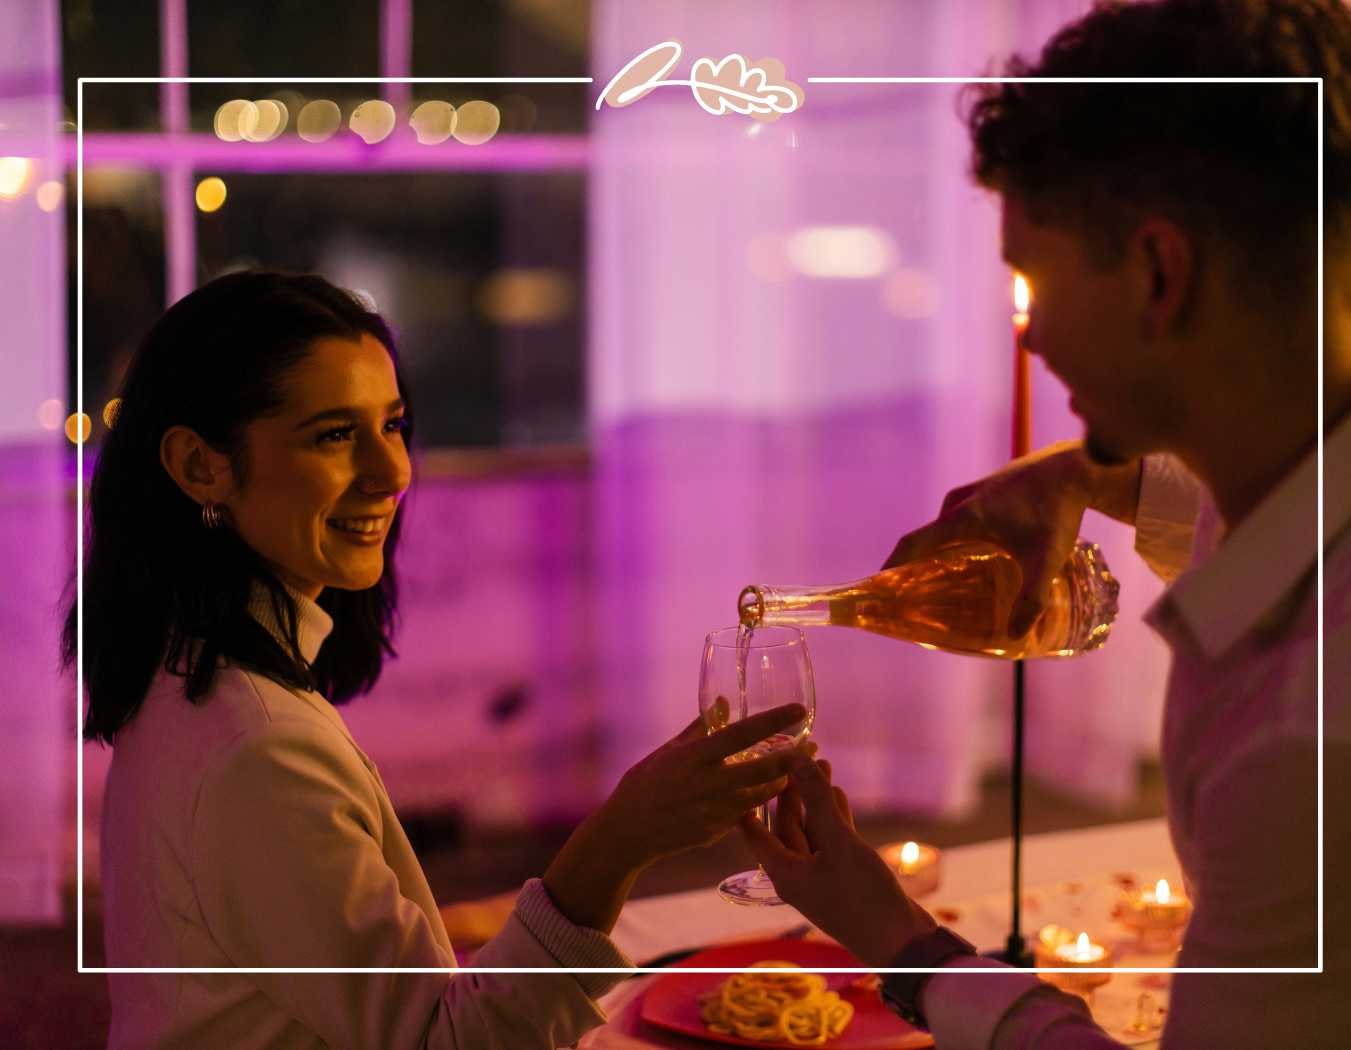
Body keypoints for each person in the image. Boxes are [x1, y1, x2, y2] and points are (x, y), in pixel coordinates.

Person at [743, 0, 1351, 1046]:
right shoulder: (1308, 482)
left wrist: (902, 947)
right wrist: (1082, 478)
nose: (1033, 333)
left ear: (1155, 273)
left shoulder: (1325, 732)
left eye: (1035, 278)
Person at [62, 271, 817, 1049]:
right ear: (199, 466)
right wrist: (617, 844)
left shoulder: (189, 673)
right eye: (332, 434)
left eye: (392, 425)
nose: (393, 474)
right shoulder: (257, 749)